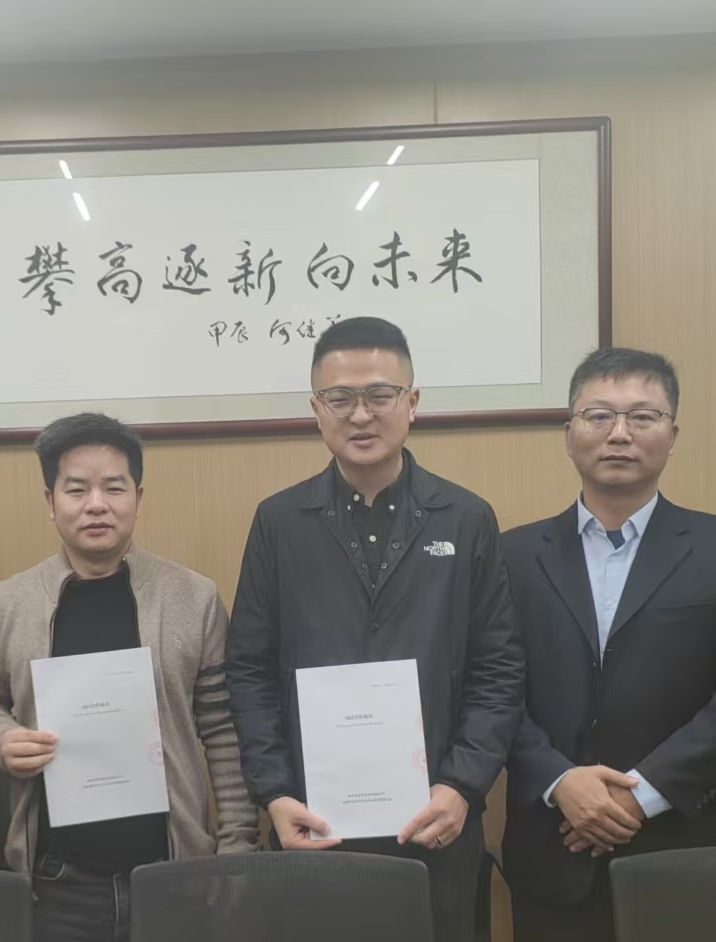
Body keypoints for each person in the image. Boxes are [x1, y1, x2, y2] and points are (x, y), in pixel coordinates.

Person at [226, 316, 523, 942]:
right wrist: (274, 794)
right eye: (340, 398)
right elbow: (249, 670)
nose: (361, 415)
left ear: (412, 403)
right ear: (317, 409)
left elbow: (498, 669)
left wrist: (462, 785)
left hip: (436, 822)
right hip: (313, 824)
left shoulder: (466, 518)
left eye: (380, 395)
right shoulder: (279, 522)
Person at [501, 347, 716, 942]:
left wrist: (640, 797)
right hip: (555, 847)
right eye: (599, 415)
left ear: (672, 436)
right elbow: (493, 691)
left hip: (693, 846)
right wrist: (560, 781)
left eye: (643, 417)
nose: (620, 433)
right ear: (569, 434)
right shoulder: (511, 555)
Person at [0, 412, 259, 942]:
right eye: (76, 489)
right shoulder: (7, 604)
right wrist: (1, 738)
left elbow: (223, 728)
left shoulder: (194, 599)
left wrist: (235, 849)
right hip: (56, 882)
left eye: (114, 488)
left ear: (138, 498)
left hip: (173, 874)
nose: (96, 504)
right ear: (50, 501)